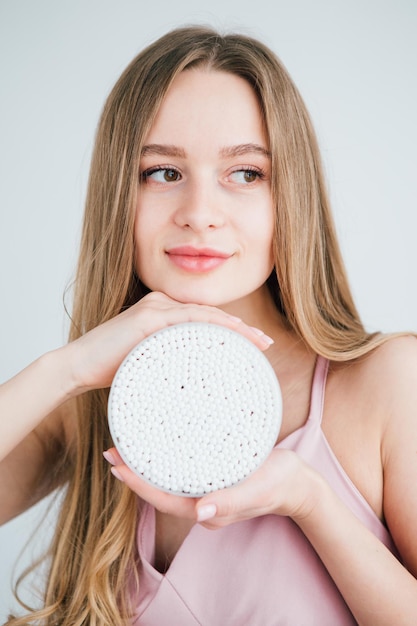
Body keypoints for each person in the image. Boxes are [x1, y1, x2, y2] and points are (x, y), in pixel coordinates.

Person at [1, 25, 416, 625]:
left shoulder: (384, 386)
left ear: (288, 196)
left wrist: (310, 502)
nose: (199, 213)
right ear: (119, 194)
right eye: (162, 173)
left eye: (245, 173)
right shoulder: (87, 404)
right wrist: (64, 370)